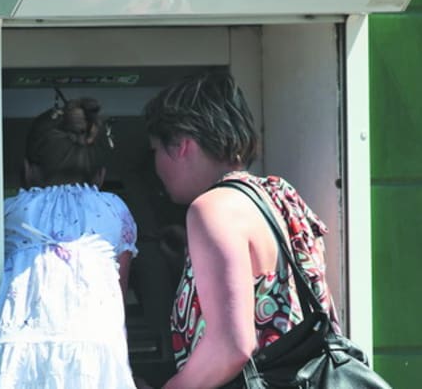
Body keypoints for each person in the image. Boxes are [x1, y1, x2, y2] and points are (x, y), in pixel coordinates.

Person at [142, 72, 341, 388]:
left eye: (155, 150)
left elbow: (231, 346)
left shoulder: (212, 208)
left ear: (181, 144)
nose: (155, 167)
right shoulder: (279, 196)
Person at [0, 96, 139, 389]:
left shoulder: (11, 212)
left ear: (28, 170)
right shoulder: (114, 209)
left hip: (18, 358)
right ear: (100, 176)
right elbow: (118, 295)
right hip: (93, 358)